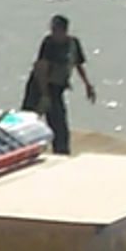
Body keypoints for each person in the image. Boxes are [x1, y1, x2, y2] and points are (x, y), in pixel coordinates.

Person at [23, 11, 95, 154]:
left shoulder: (73, 44)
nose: (54, 32)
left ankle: (61, 151)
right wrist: (44, 95)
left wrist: (88, 85)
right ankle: (24, 148)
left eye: (57, 30)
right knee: (29, 120)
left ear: (64, 30)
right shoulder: (48, 43)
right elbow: (41, 68)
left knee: (59, 125)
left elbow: (78, 64)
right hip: (39, 86)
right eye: (53, 29)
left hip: (57, 88)